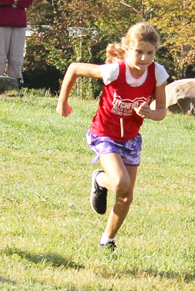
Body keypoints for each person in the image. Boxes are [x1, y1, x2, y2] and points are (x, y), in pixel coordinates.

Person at [56, 22, 169, 251]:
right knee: (120, 183)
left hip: (131, 138)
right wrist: (62, 102)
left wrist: (151, 112)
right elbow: (74, 68)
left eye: (150, 53)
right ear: (127, 48)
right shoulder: (115, 71)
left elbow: (162, 112)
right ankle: (100, 179)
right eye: (139, 52)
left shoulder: (157, 73)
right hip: (104, 133)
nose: (144, 58)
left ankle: (107, 240)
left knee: (126, 197)